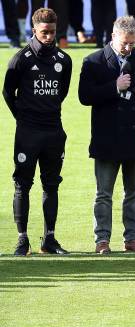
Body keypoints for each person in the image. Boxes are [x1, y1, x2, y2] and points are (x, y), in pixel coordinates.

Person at [78, 16, 135, 254]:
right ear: (113, 36)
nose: (128, 48)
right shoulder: (93, 61)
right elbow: (84, 96)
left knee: (134, 194)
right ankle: (101, 241)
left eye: (133, 43)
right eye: (125, 43)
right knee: (103, 194)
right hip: (107, 138)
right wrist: (115, 87)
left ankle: (132, 239)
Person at [3, 8, 71, 256]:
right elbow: (8, 93)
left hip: (54, 131)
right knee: (22, 184)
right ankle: (22, 239)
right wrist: (23, 118)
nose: (49, 37)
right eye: (44, 32)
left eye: (52, 32)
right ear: (34, 31)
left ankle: (49, 239)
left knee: (51, 184)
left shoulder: (64, 60)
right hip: (28, 132)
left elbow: (61, 93)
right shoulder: (21, 59)